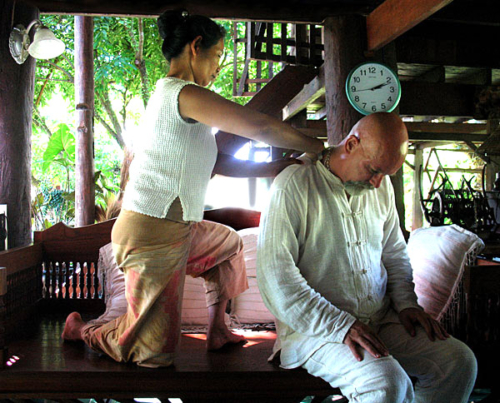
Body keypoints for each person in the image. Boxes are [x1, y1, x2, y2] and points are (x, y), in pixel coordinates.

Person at [61, 9, 324, 368]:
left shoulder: (188, 105)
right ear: (195, 47)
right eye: (217, 56)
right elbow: (258, 127)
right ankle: (81, 331)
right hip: (149, 234)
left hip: (180, 229)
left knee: (229, 245)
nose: (218, 68)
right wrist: (319, 147)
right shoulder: (178, 92)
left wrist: (280, 165)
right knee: (154, 355)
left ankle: (217, 331)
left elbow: (219, 164)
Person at [256, 112, 477, 402]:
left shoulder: (380, 186)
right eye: (373, 170)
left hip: (380, 320)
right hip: (314, 331)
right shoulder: (294, 184)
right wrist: (340, 325)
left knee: (458, 362)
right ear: (350, 145)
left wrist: (407, 304)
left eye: (385, 174)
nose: (377, 183)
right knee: (386, 384)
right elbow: (276, 278)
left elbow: (395, 254)